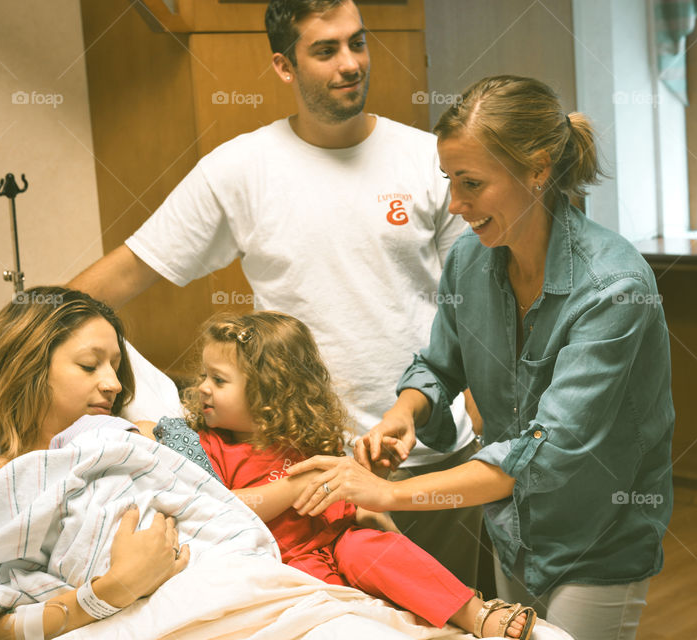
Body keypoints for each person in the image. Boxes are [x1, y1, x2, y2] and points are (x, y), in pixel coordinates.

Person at [67, 0, 482, 586]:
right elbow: (135, 267)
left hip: (431, 460)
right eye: (326, 50)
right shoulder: (240, 169)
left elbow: (475, 310)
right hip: (305, 470)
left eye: (357, 43)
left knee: (457, 615)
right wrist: (24, 325)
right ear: (284, 67)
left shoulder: (426, 161)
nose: (351, 63)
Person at [285, 75, 676, 640]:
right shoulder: (472, 258)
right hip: (513, 531)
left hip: (600, 538)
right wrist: (405, 414)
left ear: (538, 169)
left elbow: (547, 451)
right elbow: (440, 366)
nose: (455, 204)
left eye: (471, 183)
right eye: (449, 180)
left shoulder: (613, 287)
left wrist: (388, 495)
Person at [182, 311, 535, 639]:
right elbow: (220, 510)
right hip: (281, 562)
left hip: (337, 544)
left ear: (268, 391)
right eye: (204, 376)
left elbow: (352, 506)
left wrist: (369, 486)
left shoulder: (303, 437)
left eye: (219, 379)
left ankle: (475, 614)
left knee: (372, 549)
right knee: (338, 617)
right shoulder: (210, 447)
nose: (203, 387)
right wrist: (295, 487)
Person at [0, 286, 189, 639]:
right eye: (89, 365)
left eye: (116, 368)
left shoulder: (143, 438)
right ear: (25, 369)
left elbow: (220, 504)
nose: (114, 384)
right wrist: (109, 592)